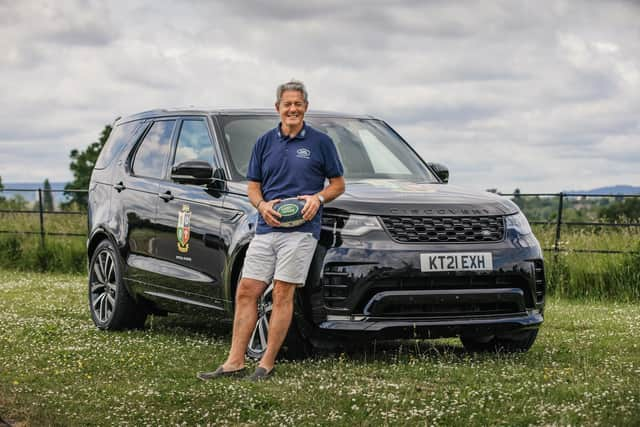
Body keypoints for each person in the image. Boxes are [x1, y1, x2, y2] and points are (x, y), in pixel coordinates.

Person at [198, 80, 345, 381]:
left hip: (302, 231)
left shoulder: (321, 143)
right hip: (265, 229)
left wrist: (317, 199)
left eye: (298, 104)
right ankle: (234, 362)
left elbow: (338, 185)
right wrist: (262, 206)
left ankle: (265, 363)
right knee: (247, 291)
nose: (293, 109)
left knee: (281, 293)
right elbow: (253, 187)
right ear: (277, 107)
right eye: (287, 104)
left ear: (305, 107)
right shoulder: (264, 142)